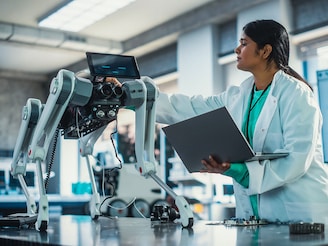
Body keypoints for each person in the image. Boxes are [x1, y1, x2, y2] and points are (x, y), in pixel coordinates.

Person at [107, 19, 328, 224]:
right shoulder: (239, 95)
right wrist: (131, 96)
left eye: (244, 43)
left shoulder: (296, 94)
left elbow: (298, 158)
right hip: (255, 217)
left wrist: (238, 171)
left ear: (265, 50)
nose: (236, 49)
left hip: (299, 215)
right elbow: (188, 108)